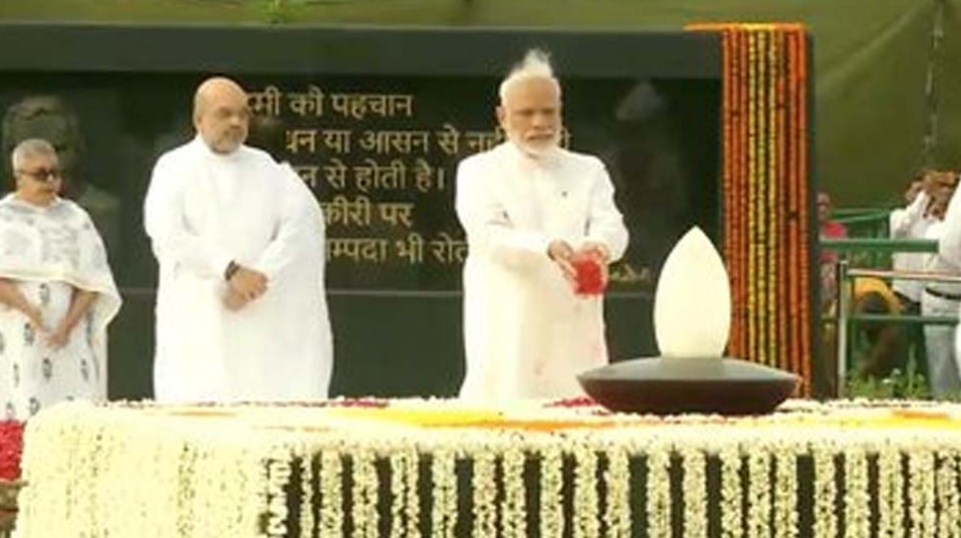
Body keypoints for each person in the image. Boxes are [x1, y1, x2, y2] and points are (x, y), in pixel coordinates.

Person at [143, 76, 332, 403]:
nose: (236, 122)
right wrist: (230, 270)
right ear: (198, 119)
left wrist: (261, 275)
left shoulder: (267, 168)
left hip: (259, 315)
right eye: (224, 113)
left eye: (243, 114)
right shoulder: (174, 167)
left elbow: (302, 225)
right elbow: (166, 231)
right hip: (199, 314)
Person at [455, 49, 629, 400]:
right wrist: (547, 246)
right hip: (509, 323)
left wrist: (599, 247)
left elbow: (613, 226)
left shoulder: (588, 169)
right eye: (527, 113)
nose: (539, 123)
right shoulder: (477, 170)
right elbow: (489, 235)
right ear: (503, 117)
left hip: (574, 324)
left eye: (548, 112)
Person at [0, 139, 121, 419]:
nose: (51, 180)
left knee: (75, 411)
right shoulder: (3, 218)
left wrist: (67, 325)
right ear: (19, 177)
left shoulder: (76, 218)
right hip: (20, 332)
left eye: (55, 172)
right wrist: (31, 313)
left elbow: (93, 279)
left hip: (71, 335)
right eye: (40, 174)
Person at [1, 96, 122, 258]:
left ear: (79, 149)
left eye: (58, 149)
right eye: (30, 152)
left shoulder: (104, 211)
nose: (43, 164)